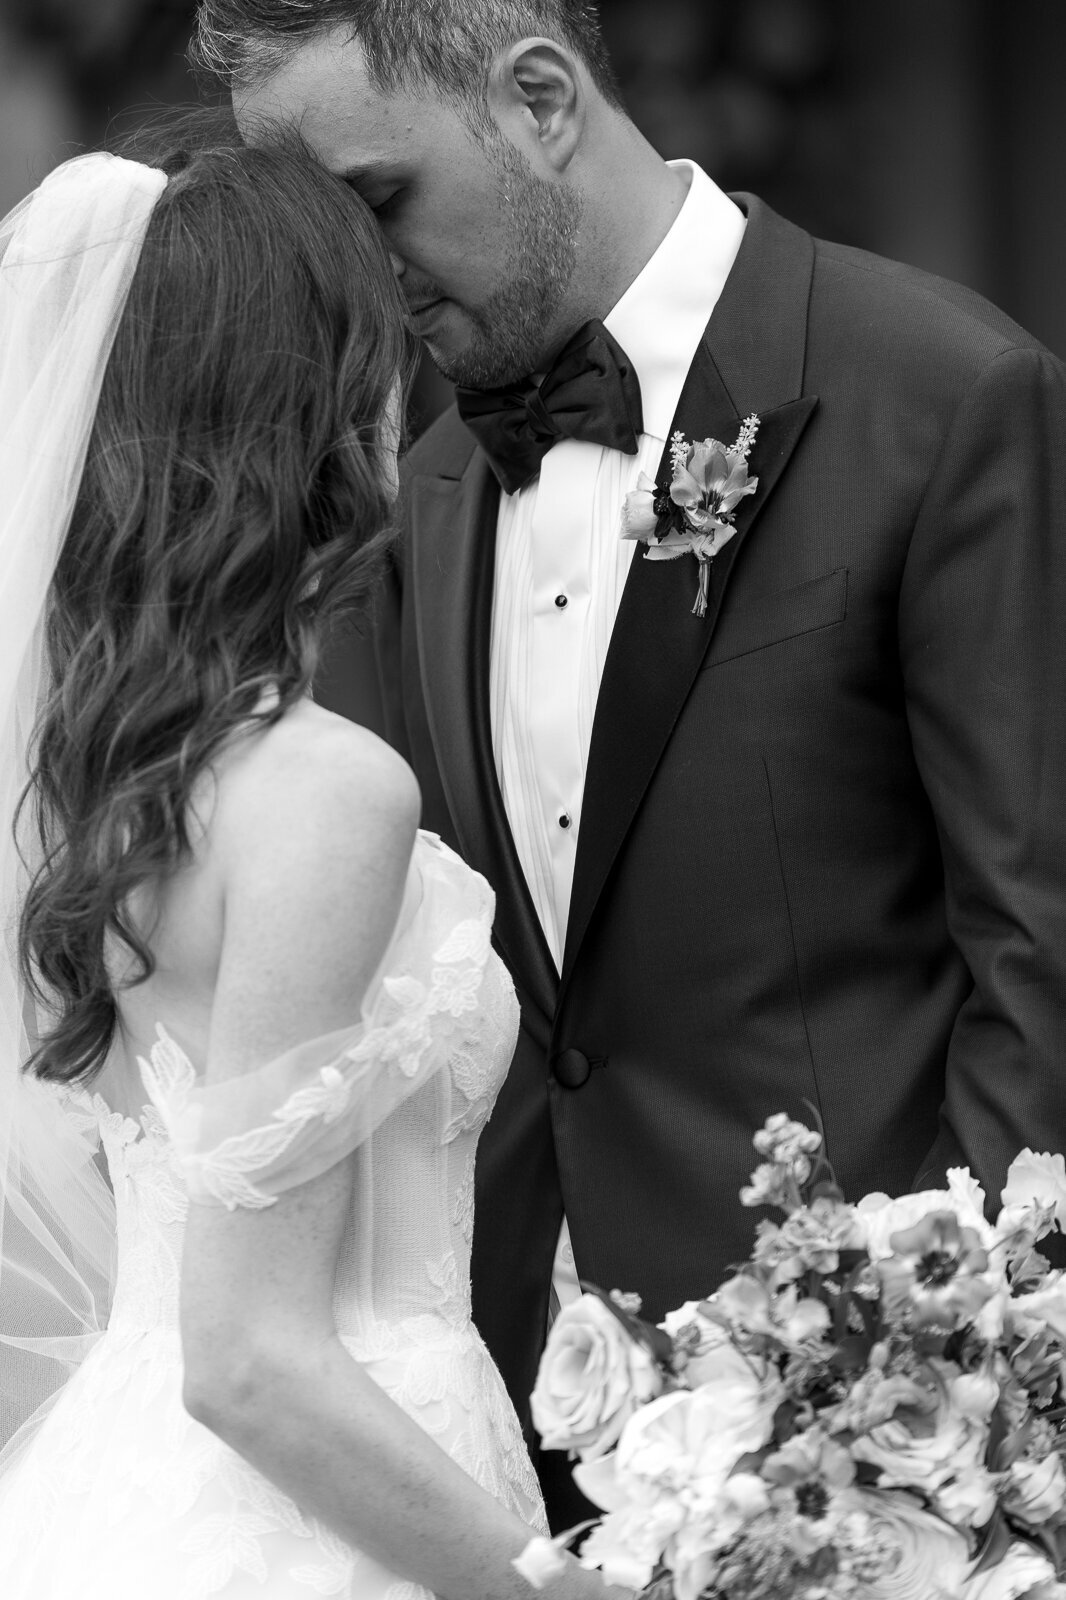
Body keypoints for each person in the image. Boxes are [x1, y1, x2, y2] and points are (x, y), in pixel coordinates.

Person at [202, 0, 1066, 1532]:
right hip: (522, 1453)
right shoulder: (425, 484)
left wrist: (943, 1388)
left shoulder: (941, 394)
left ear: (538, 99)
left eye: (375, 200)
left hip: (875, 1450)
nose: (354, 273)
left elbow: (1039, 943)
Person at [0, 132, 622, 1600]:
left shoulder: (107, 775)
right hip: (320, 1514)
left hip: (129, 1484)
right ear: (323, 408)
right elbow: (253, 1361)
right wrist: (555, 1589)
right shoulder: (322, 790)